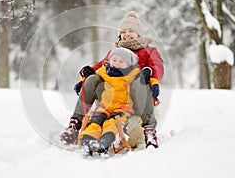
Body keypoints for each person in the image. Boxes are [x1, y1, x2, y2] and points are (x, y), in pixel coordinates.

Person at [61, 11, 164, 149]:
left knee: (140, 80)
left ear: (138, 33)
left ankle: (149, 130)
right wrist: (88, 73)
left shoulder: (148, 51)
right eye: (124, 31)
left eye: (131, 31)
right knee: (93, 79)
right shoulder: (115, 52)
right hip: (113, 98)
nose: (127, 34)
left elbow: (158, 66)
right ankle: (75, 125)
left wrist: (149, 71)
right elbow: (102, 65)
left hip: (136, 100)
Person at [79, 47, 140, 155]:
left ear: (129, 65)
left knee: (112, 123)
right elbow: (93, 74)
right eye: (114, 60)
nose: (117, 64)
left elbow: (144, 81)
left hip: (122, 107)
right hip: (105, 106)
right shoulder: (104, 71)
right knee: (95, 121)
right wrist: (82, 81)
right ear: (110, 60)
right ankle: (87, 141)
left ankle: (104, 143)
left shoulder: (132, 75)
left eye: (121, 61)